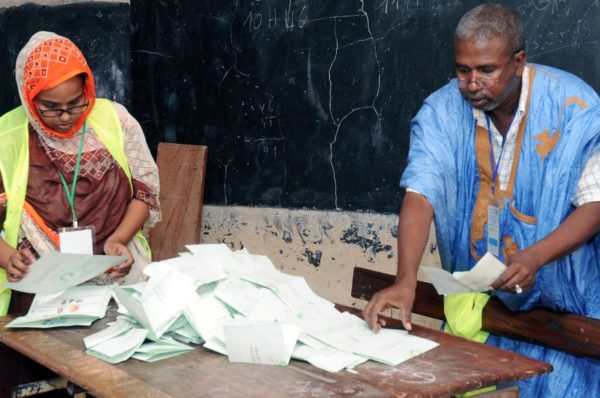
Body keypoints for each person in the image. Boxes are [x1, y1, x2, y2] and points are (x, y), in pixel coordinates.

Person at [363, 4, 600, 397]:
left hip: (566, 309)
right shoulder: (440, 112)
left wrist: (535, 257)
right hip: (486, 309)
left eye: (486, 70)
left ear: (518, 61)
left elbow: (595, 204)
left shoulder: (576, 109)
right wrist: (406, 279)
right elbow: (421, 194)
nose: (472, 83)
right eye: (462, 70)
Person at [0, 31, 161, 315]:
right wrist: (8, 257)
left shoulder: (116, 120)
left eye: (76, 103)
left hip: (115, 267)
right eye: (50, 108)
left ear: (88, 89)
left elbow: (145, 192)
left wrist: (118, 240)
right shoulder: (7, 136)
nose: (65, 116)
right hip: (41, 280)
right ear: (29, 98)